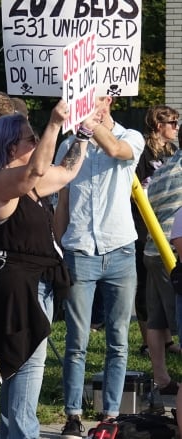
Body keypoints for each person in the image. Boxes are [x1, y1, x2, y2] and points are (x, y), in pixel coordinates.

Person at [0, 101, 88, 439]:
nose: (37, 142)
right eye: (31, 139)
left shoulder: (29, 184)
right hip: (19, 289)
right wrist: (55, 123)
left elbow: (68, 171)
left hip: (35, 284)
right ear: (12, 146)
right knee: (26, 369)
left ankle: (13, 434)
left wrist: (83, 133)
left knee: (18, 369)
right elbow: (33, 173)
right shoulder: (1, 182)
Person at [55, 95, 145, 438]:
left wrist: (93, 126)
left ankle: (110, 414)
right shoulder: (71, 143)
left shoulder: (130, 136)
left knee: (118, 339)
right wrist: (59, 245)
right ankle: (73, 414)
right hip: (80, 250)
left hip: (120, 249)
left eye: (99, 101)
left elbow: (117, 152)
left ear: (108, 102)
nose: (93, 107)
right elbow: (63, 197)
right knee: (76, 340)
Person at [142, 106, 182, 396]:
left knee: (156, 318)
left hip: (152, 249)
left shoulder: (166, 168)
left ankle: (161, 377)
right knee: (178, 321)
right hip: (174, 251)